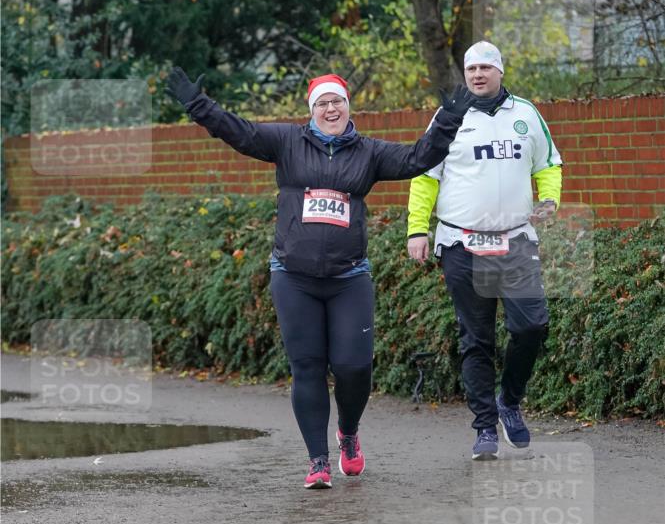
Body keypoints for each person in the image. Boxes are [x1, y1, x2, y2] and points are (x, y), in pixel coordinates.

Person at [167, 67, 464, 488]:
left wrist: (448, 121)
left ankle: (348, 433)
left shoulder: (369, 152)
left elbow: (419, 158)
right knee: (306, 367)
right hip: (293, 276)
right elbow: (237, 131)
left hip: (349, 277)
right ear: (312, 111)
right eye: (322, 103)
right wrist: (198, 105)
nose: (330, 109)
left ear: (348, 107)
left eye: (337, 102)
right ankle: (318, 461)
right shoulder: (287, 142)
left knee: (354, 367)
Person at [406, 41, 563, 460]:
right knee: (476, 338)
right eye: (470, 68)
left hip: (515, 241)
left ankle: (508, 401)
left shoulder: (526, 114)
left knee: (532, 325)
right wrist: (416, 230)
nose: (477, 74)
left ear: (500, 71)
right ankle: (484, 429)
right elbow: (425, 175)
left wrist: (548, 199)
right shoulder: (449, 116)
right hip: (462, 242)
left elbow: (548, 163)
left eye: (485, 67)